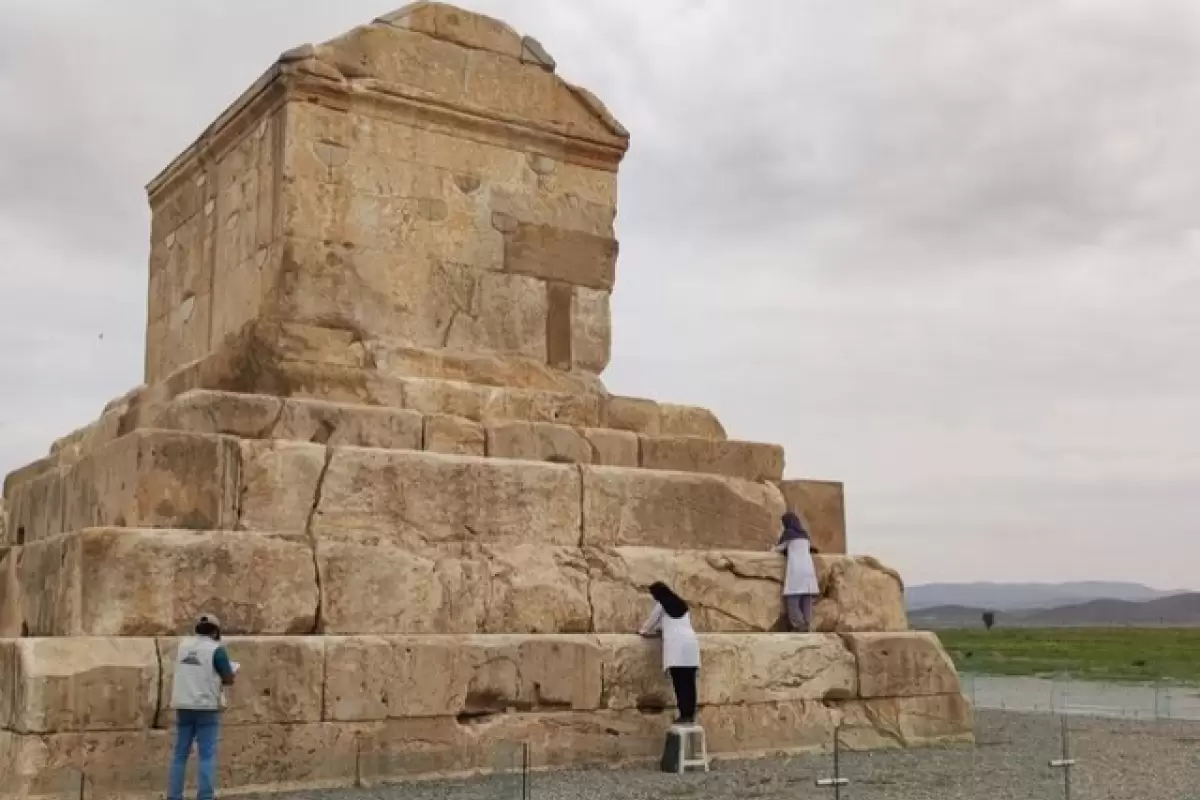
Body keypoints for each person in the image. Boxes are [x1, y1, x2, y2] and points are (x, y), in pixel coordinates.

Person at [167, 614, 237, 800]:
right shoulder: (216, 650)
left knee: (180, 754)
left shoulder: (182, 646)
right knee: (206, 755)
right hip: (206, 707)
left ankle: (174, 796)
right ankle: (205, 796)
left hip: (183, 705)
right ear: (215, 631)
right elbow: (228, 679)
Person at [639, 582, 701, 724]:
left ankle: (684, 715)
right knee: (689, 683)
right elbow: (673, 622)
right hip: (690, 646)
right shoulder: (682, 606)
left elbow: (650, 623)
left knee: (679, 683)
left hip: (677, 648)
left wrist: (642, 631)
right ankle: (689, 714)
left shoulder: (661, 606)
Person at [774, 512, 820, 632]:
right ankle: (807, 624)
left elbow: (778, 549)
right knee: (806, 600)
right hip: (808, 571)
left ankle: (799, 625)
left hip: (796, 570)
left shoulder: (789, 535)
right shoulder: (804, 536)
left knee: (793, 600)